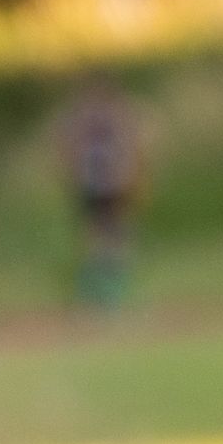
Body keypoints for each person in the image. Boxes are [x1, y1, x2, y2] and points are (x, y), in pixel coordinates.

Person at [59, 73, 146, 307]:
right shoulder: (111, 118)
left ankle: (107, 290)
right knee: (102, 234)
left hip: (111, 183)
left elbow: (133, 149)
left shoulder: (99, 118)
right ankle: (100, 290)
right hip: (98, 184)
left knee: (109, 234)